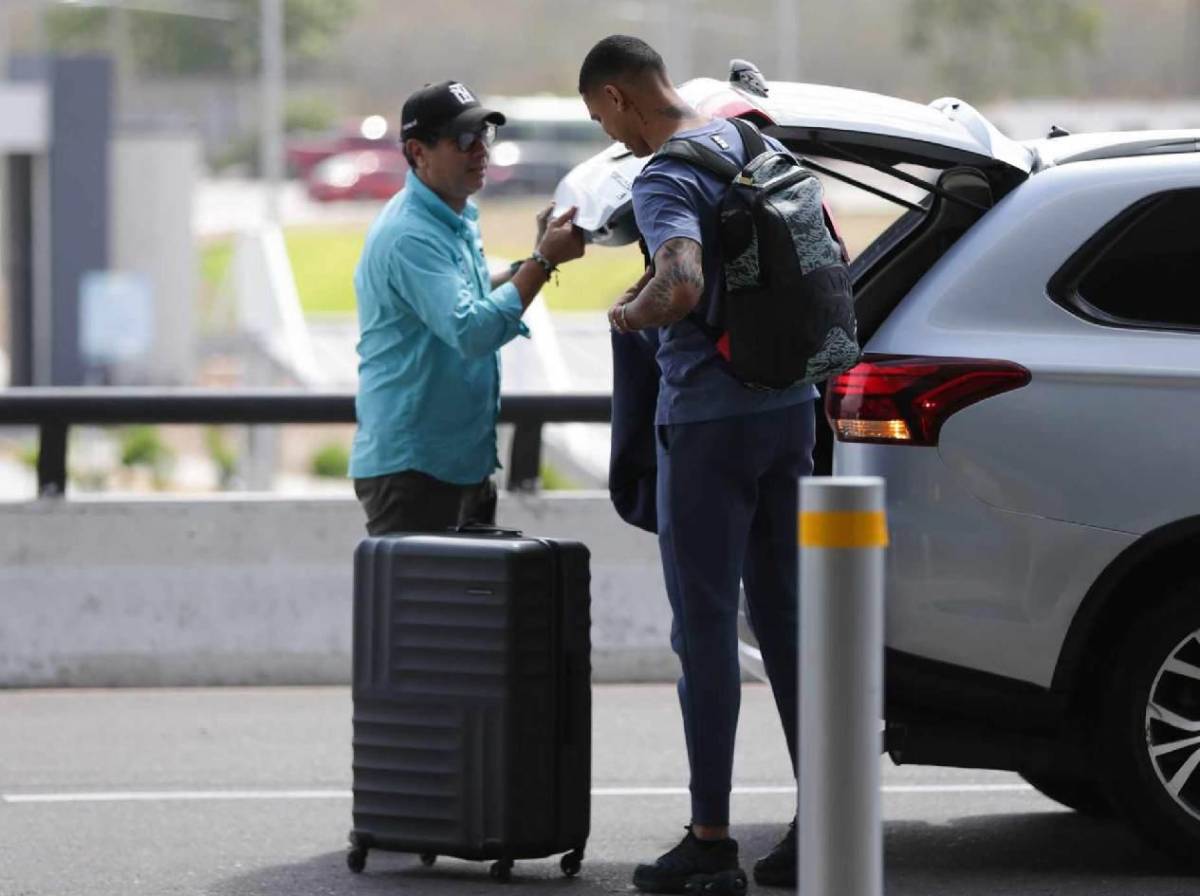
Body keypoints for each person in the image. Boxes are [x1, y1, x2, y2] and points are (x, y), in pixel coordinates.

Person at [579, 36, 816, 892]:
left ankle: (711, 840)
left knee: (706, 631)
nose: (611, 135)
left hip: (711, 426)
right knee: (788, 622)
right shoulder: (749, 139)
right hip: (791, 409)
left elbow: (678, 283)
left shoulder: (663, 176)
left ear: (616, 97)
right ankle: (824, 819)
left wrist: (628, 314)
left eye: (600, 118)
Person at [350, 80, 584, 535]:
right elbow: (471, 331)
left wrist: (536, 257)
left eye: (484, 135)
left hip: (457, 464)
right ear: (418, 152)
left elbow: (467, 295)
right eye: (462, 139)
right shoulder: (410, 234)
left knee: (467, 584)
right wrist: (541, 262)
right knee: (426, 586)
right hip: (415, 471)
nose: (481, 150)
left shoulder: (450, 218)